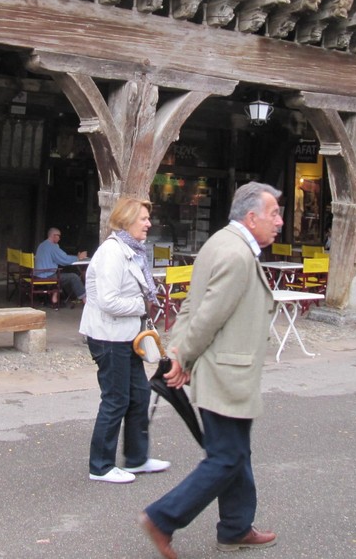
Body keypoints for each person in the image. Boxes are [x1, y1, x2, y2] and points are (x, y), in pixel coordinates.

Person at [140, 182, 283, 559]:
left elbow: (191, 306)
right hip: (227, 373)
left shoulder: (220, 243)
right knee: (226, 457)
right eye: (274, 214)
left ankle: (236, 526)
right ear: (251, 218)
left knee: (236, 451)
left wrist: (178, 353)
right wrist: (183, 358)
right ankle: (163, 518)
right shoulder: (236, 255)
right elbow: (208, 316)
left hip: (222, 370)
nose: (279, 222)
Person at [78, 198, 169, 484]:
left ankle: (136, 458)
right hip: (108, 337)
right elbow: (107, 301)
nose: (148, 223)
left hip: (127, 337)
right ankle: (101, 466)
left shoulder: (132, 251)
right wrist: (141, 305)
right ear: (128, 220)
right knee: (116, 399)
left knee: (139, 395)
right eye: (143, 218)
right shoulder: (112, 253)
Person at [34, 227, 88, 306]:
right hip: (47, 275)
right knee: (74, 276)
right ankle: (85, 300)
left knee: (61, 275)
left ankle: (54, 297)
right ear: (53, 236)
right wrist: (78, 257)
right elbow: (64, 259)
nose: (59, 238)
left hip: (38, 274)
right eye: (58, 236)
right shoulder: (52, 246)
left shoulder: (42, 245)